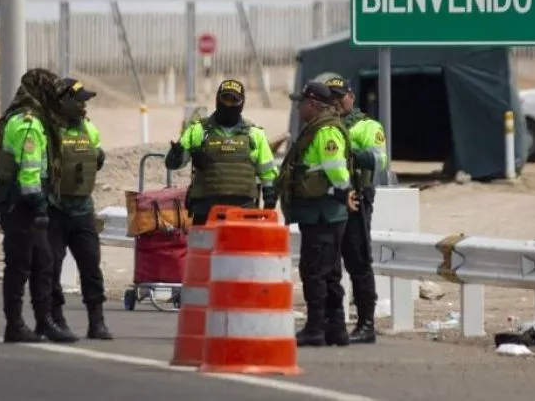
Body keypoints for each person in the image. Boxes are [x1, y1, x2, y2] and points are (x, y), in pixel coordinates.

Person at [0, 68, 79, 344]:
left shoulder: (35, 119)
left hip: (24, 201)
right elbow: (29, 174)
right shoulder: (29, 124)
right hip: (21, 204)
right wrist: (40, 207)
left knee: (43, 262)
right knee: (20, 264)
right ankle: (15, 325)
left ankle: (44, 321)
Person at [278, 80, 356, 348]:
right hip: (322, 213)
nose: (299, 108)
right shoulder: (320, 128)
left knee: (314, 272)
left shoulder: (325, 132)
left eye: (302, 103)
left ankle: (316, 328)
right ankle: (335, 329)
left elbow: (337, 170)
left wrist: (341, 192)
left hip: (323, 213)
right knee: (329, 271)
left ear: (312, 104)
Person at [317, 72, 388, 344]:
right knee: (329, 263)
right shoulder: (323, 126)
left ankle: (366, 324)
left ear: (351, 97)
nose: (336, 103)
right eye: (330, 98)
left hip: (357, 197)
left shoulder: (366, 126)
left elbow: (380, 161)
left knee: (358, 261)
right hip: (328, 199)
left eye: (340, 97)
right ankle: (331, 322)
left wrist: (352, 152)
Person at [45, 77, 113, 341]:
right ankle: (56, 318)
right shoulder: (47, 131)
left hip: (83, 210)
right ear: (64, 102)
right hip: (55, 209)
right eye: (80, 101)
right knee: (51, 268)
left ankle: (97, 322)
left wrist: (99, 158)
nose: (85, 106)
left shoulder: (89, 128)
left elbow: (93, 157)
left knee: (91, 267)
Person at [165, 78, 278, 225]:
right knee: (203, 248)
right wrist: (179, 154)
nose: (229, 104)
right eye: (225, 98)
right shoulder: (198, 130)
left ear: (242, 103)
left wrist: (269, 197)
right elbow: (173, 164)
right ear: (217, 99)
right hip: (205, 211)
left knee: (240, 249)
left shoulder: (254, 134)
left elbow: (268, 171)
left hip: (243, 212)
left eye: (234, 100)